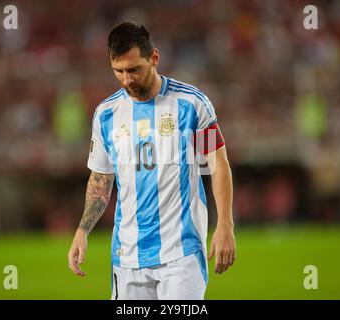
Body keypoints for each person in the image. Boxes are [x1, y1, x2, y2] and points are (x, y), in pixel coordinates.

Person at [68, 21, 236, 300]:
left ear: (154, 58)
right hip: (127, 257)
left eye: (134, 69)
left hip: (181, 254)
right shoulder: (106, 115)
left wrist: (225, 225)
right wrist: (82, 231)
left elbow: (218, 164)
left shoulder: (191, 105)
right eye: (118, 71)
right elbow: (101, 179)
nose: (127, 79)